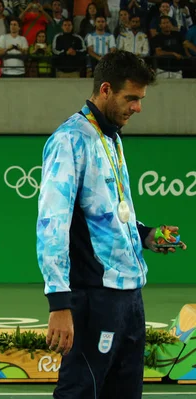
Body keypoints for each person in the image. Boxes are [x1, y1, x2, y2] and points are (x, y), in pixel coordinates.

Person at [36, 50, 188, 399]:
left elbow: (111, 213)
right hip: (94, 297)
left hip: (130, 297)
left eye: (141, 99)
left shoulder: (111, 136)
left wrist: (146, 234)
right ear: (105, 89)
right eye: (131, 98)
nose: (138, 107)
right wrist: (59, 303)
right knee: (80, 391)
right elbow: (51, 224)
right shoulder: (70, 140)